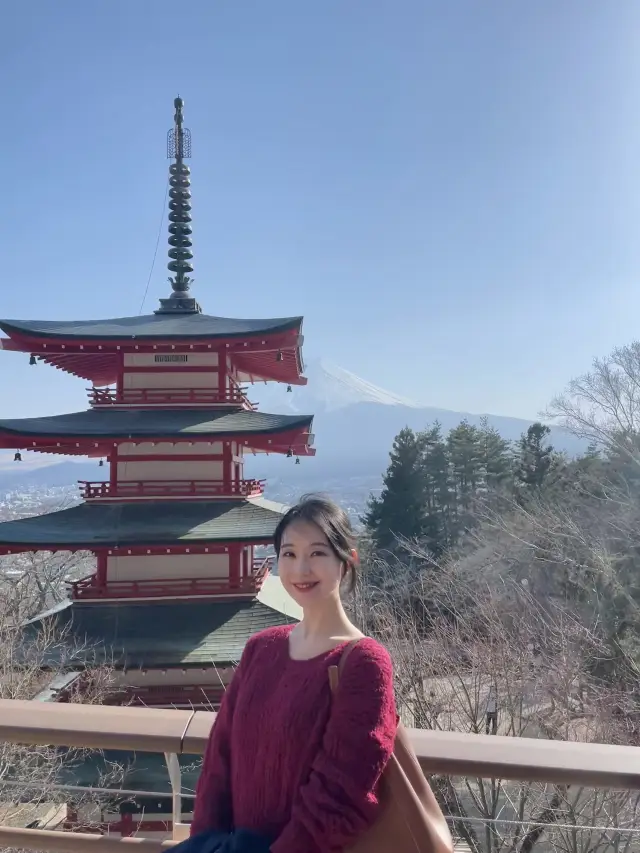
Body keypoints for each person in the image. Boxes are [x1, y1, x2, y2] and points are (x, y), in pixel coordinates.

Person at [190, 494, 398, 852]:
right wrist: (205, 844)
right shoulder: (261, 649)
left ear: (346, 561)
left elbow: (341, 793)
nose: (301, 569)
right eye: (289, 554)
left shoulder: (364, 662)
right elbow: (218, 763)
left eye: (317, 553)